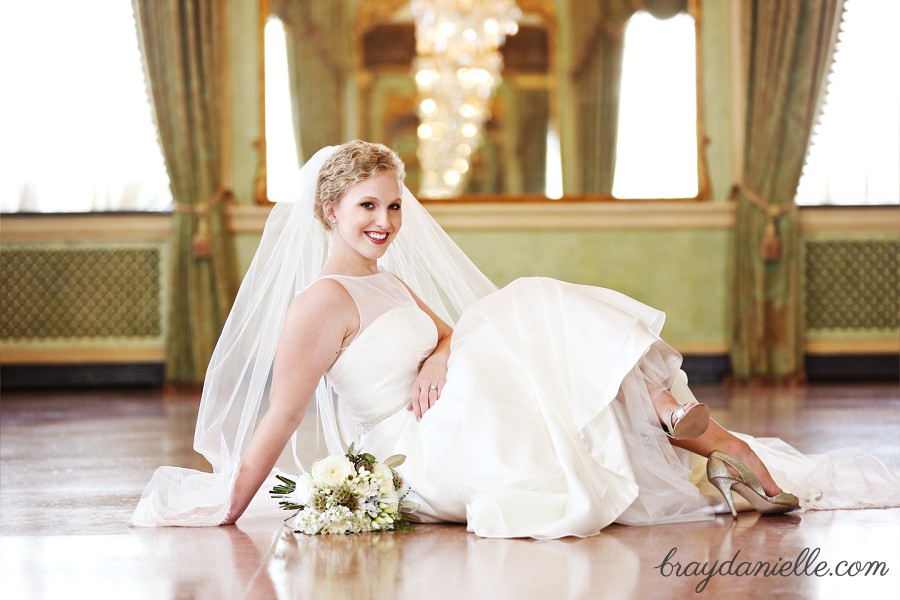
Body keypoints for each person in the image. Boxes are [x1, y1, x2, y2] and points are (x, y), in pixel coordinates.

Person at [131, 141, 899, 538]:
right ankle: (681, 422)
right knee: (530, 320)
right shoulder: (319, 303)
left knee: (525, 318)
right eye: (369, 206)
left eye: (395, 208)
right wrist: (232, 505)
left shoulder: (388, 281)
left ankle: (699, 433)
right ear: (330, 211)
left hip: (455, 400)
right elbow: (279, 416)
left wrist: (436, 353)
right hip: (419, 449)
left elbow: (446, 334)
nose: (386, 224)